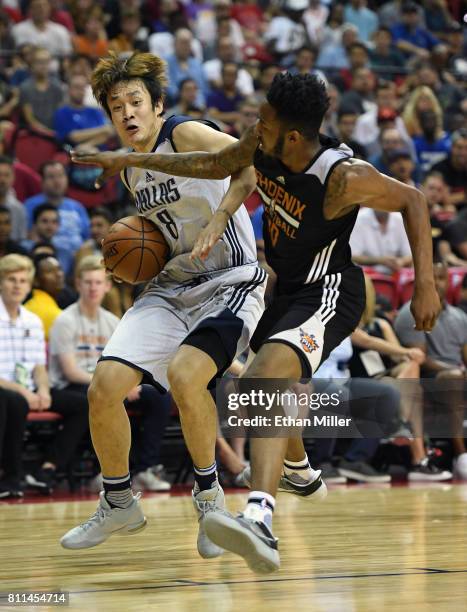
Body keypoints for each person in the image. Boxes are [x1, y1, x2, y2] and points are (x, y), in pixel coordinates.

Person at [74, 71, 441, 573]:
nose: (252, 125)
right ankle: (298, 468)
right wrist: (127, 159)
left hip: (328, 288)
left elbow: (414, 200)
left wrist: (425, 283)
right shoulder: (263, 146)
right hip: (283, 291)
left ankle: (259, 518)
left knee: (264, 380)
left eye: (263, 119)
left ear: (291, 135)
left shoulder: (342, 175)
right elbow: (212, 163)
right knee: (261, 388)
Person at [60, 52, 267, 559]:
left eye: (135, 102)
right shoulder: (131, 170)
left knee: (185, 375)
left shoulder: (185, 133)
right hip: (172, 287)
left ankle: (210, 502)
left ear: (157, 106)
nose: (127, 113)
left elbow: (248, 165)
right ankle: (118, 501)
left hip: (229, 280)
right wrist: (132, 260)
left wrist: (221, 216)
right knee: (104, 388)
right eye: (116, 107)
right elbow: (157, 238)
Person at [47, 255, 171, 493]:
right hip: (71, 387)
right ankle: (104, 473)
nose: (93, 288)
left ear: (107, 285)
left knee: (159, 396)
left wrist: (128, 384)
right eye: (88, 282)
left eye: (97, 282)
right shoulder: (65, 320)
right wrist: (119, 387)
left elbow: (128, 363)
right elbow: (71, 372)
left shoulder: (113, 321)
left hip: (110, 384)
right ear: (78, 284)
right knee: (101, 398)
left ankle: (146, 468)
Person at [0, 255, 39, 499]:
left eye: (23, 280)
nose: (17, 285)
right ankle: (11, 475)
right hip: (6, 389)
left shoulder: (32, 320)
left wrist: (43, 391)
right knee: (12, 400)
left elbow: (40, 366)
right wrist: (25, 392)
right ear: (1, 283)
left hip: (25, 390)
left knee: (80, 403)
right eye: (11, 279)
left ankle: (47, 469)